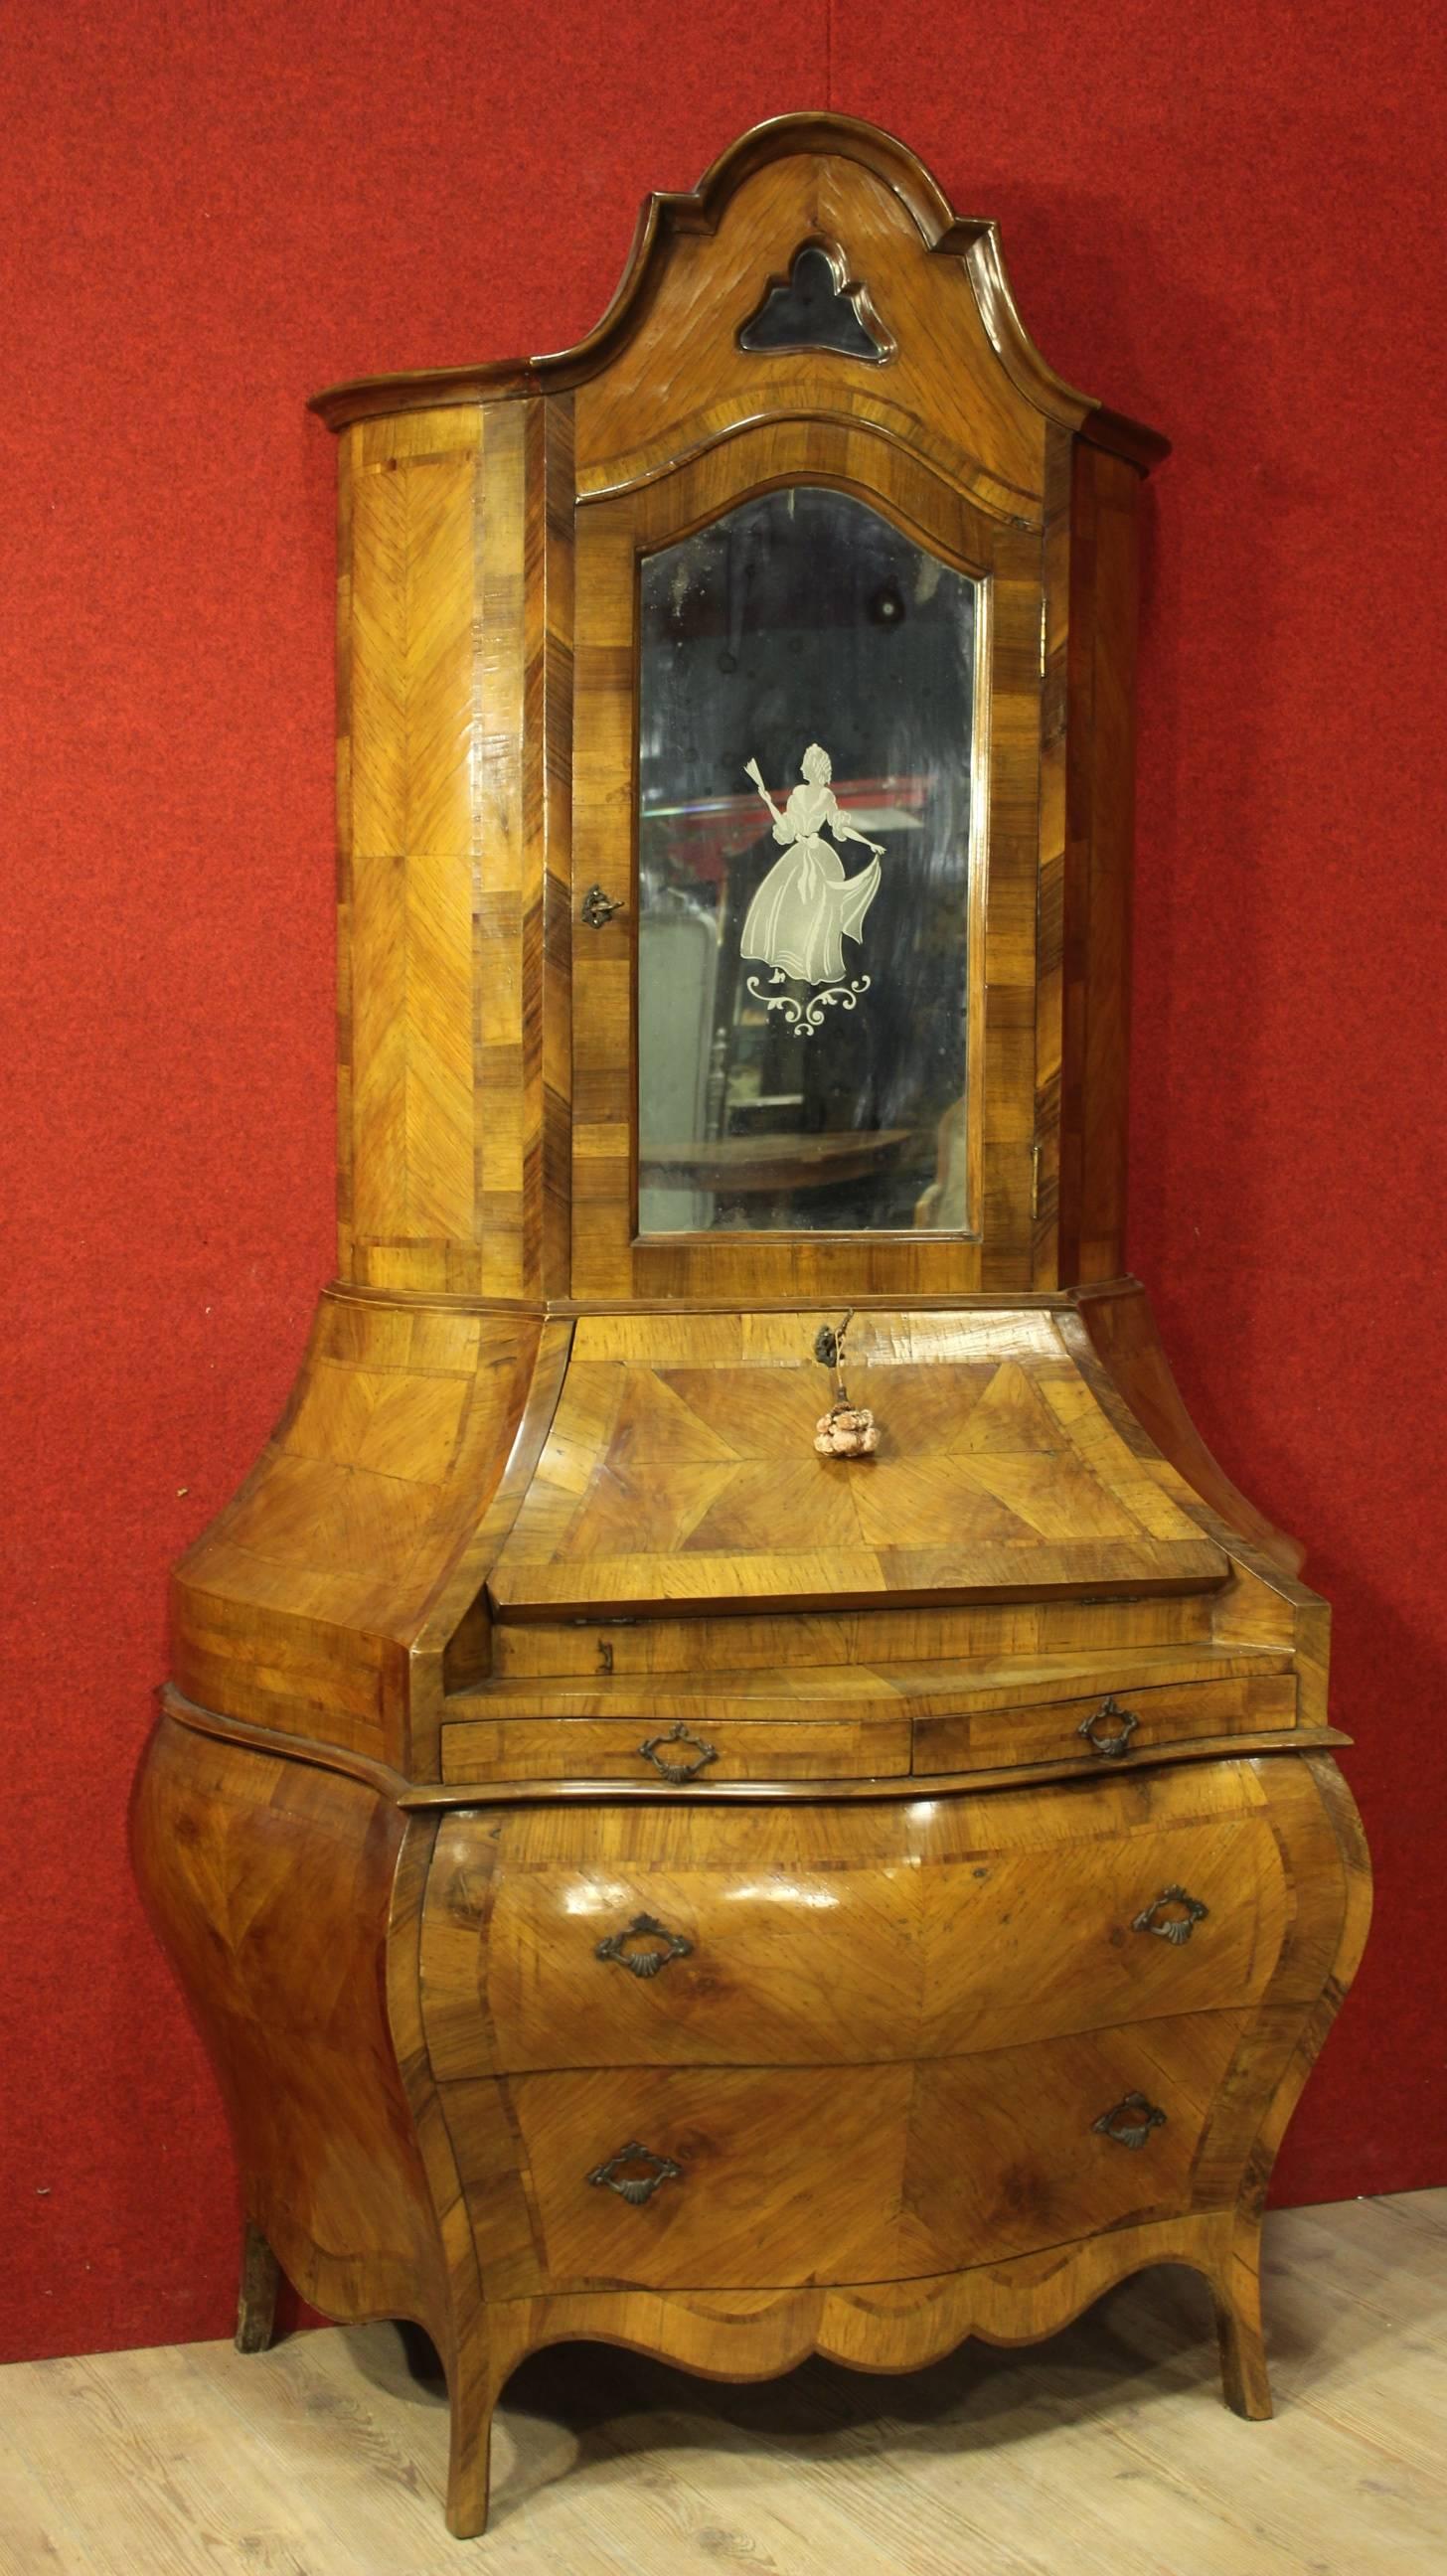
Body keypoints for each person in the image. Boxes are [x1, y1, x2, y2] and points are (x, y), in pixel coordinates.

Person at [740, 744, 884, 985]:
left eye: (805, 763)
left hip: (820, 858)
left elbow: (840, 827)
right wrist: (768, 802)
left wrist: (869, 842)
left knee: (817, 910)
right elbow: (788, 825)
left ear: (814, 767)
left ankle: (809, 967)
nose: (801, 767)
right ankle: (780, 967)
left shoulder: (827, 797)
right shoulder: (797, 792)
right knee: (784, 906)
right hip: (798, 854)